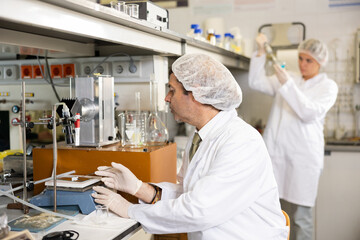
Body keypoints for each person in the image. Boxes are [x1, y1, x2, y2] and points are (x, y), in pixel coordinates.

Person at [92, 53, 289, 240]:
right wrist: (138, 187)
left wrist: (128, 209)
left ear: (195, 93)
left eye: (172, 90)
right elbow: (190, 193)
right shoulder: (201, 136)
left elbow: (199, 210)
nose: (167, 98)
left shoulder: (241, 141)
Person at [248, 33, 338, 240]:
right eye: (301, 58)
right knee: (274, 215)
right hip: (276, 157)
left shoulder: (328, 86)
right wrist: (261, 52)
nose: (303, 64)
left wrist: (285, 82)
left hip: (302, 161)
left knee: (300, 219)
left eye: (309, 60)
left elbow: (308, 112)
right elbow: (255, 81)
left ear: (320, 62)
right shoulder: (290, 78)